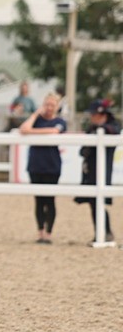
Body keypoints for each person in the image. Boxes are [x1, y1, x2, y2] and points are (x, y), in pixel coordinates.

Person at [19, 93, 67, 244]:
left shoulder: (60, 121)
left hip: (51, 166)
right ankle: (40, 232)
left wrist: (33, 133)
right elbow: (23, 129)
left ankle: (48, 233)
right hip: (35, 165)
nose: (49, 108)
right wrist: (35, 114)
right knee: (38, 201)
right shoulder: (37, 120)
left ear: (57, 107)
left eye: (52, 105)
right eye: (47, 104)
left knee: (50, 200)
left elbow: (55, 131)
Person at [73, 99, 119, 243]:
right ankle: (101, 232)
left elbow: (113, 131)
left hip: (103, 170)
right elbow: (83, 149)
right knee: (93, 203)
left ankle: (105, 232)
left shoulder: (111, 126)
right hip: (90, 170)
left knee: (98, 202)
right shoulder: (92, 128)